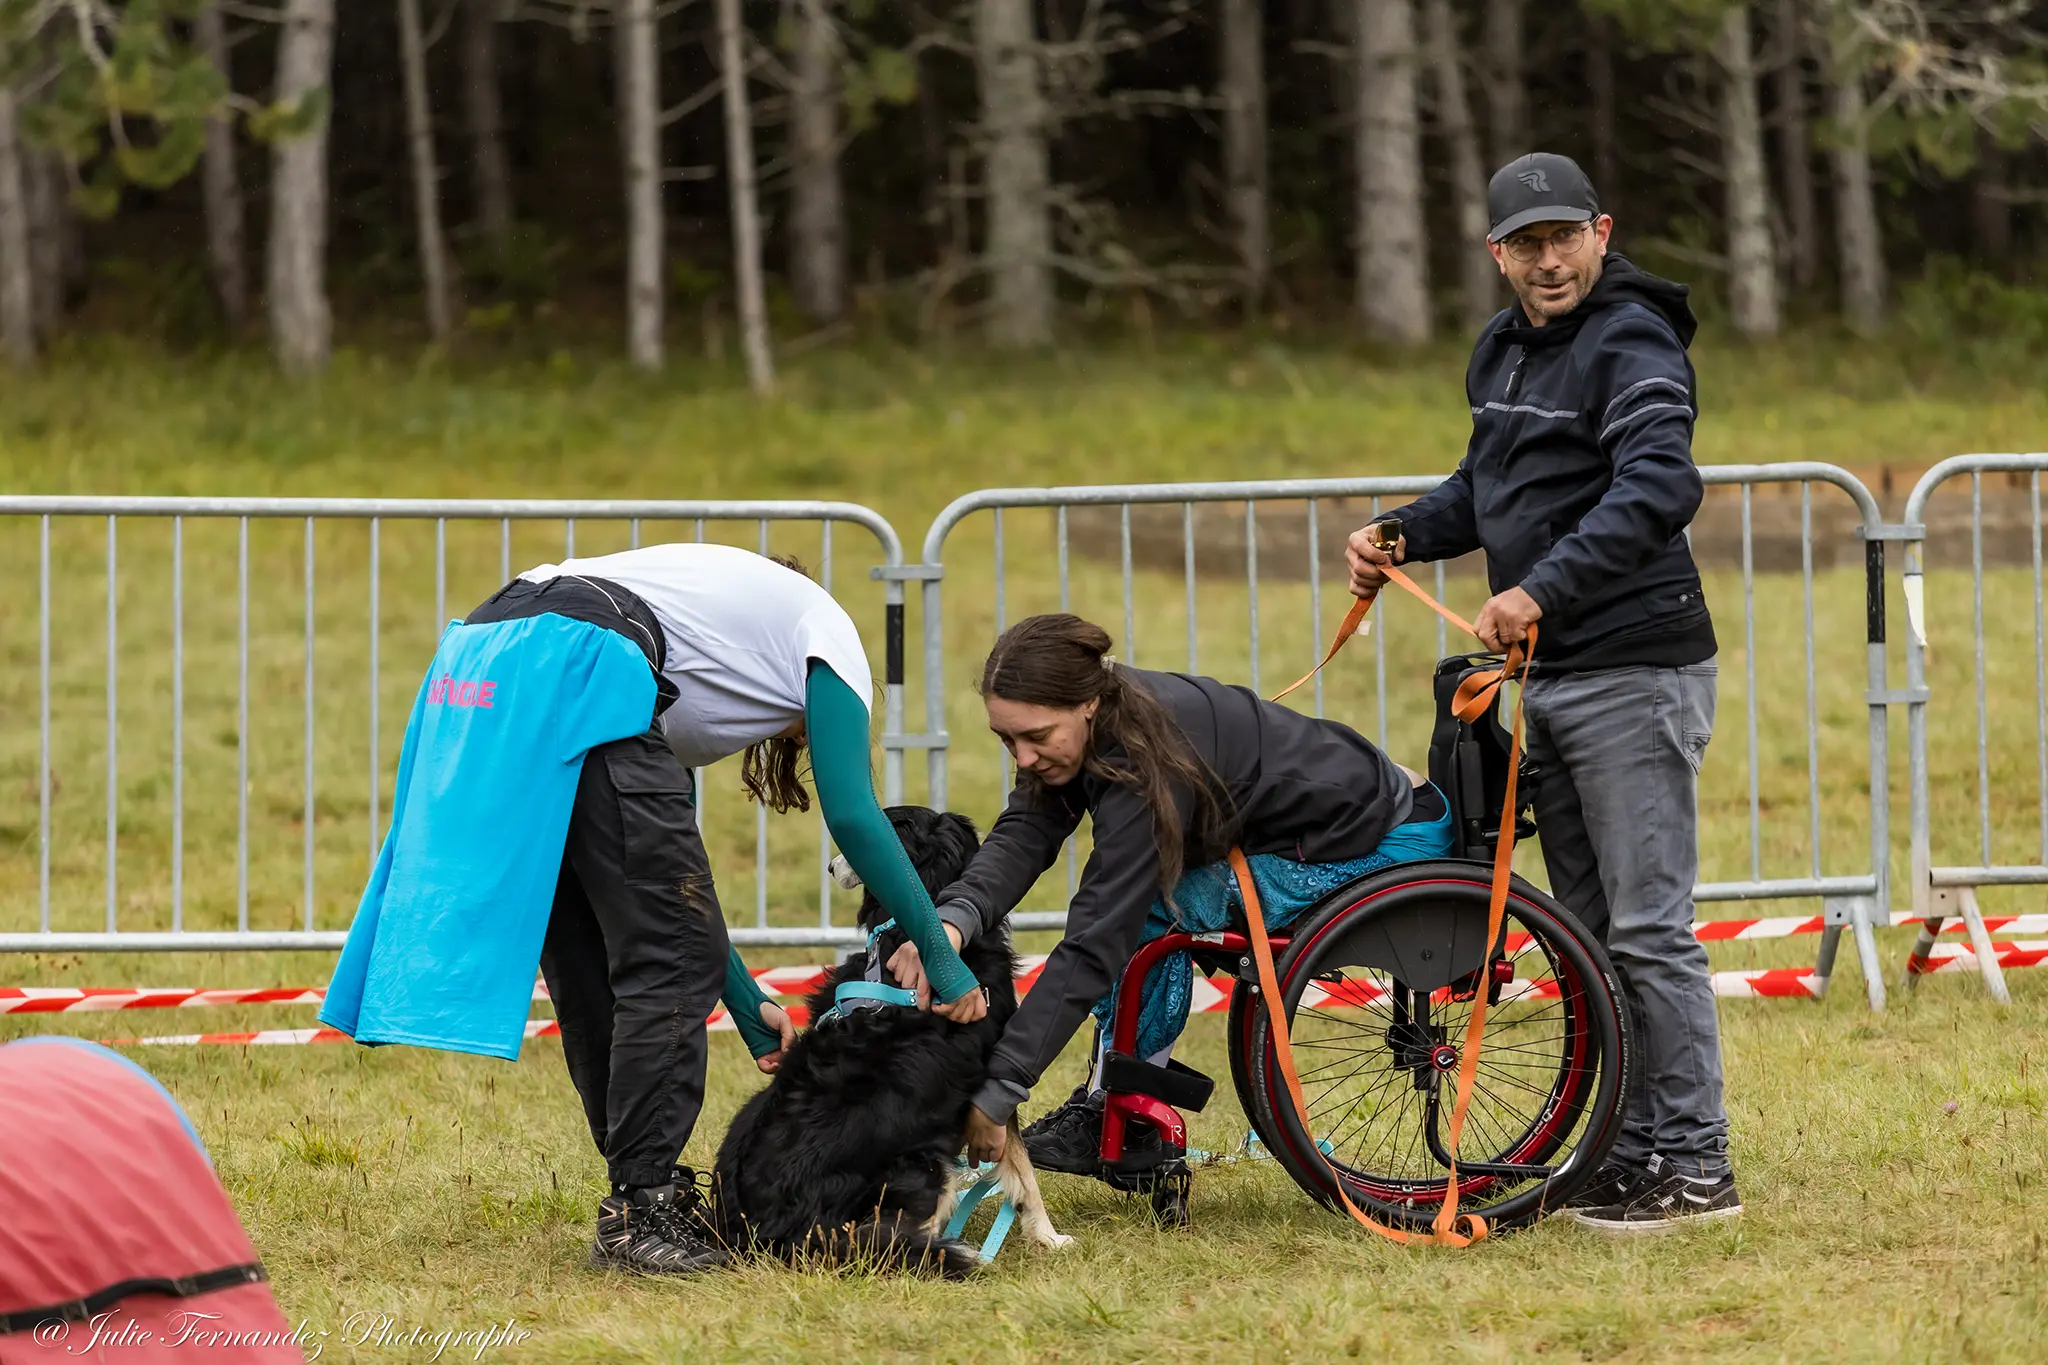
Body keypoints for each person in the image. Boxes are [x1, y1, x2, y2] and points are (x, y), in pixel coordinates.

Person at [321, 542, 983, 1276]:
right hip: (576, 653)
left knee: (591, 952)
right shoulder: (828, 635)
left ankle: (638, 1196)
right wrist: (946, 960)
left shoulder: (705, 650)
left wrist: (740, 995)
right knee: (661, 959)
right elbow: (857, 820)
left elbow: (665, 889)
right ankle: (644, 1207)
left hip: (484, 656)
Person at [1345, 151, 1738, 1233]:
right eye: (1526, 244)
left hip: (1636, 670)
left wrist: (1536, 590)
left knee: (1649, 932)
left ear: (1601, 233)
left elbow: (1658, 485)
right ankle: (1628, 1151)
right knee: (1593, 933)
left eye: (1564, 237)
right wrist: (1401, 532)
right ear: (1495, 254)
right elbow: (1488, 485)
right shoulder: (1500, 347)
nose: (1547, 260)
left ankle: (1697, 1166)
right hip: (1552, 678)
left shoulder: (1631, 341)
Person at [884, 613, 1453, 1180]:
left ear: (1087, 704)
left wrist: (1000, 1087)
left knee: (1157, 907)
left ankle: (1123, 1113)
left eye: (1035, 737)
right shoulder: (1098, 720)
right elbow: (1026, 833)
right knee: (1150, 904)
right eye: (1006, 739)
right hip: (1324, 829)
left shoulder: (1144, 758)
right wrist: (950, 923)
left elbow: (1096, 938)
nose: (1022, 758)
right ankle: (1118, 1104)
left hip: (1392, 842)